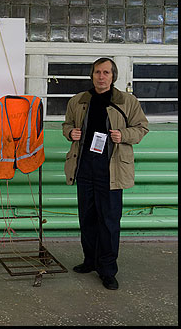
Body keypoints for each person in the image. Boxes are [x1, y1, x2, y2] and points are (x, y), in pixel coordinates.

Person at [62, 57, 148, 291]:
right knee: (87, 219)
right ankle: (90, 260)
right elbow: (66, 125)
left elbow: (142, 128)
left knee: (109, 222)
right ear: (92, 75)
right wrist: (70, 133)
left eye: (106, 72)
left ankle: (108, 270)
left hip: (111, 171)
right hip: (84, 169)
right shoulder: (78, 100)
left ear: (113, 76)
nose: (101, 76)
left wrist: (124, 135)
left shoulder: (127, 101)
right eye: (98, 72)